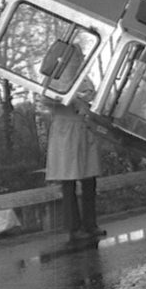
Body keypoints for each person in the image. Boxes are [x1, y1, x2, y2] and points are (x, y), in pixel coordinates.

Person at [44, 47, 105, 243]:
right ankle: (73, 228)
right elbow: (46, 98)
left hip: (83, 130)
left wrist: (87, 101)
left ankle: (90, 224)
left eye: (81, 55)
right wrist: (72, 99)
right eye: (77, 55)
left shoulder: (84, 78)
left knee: (89, 181)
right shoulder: (54, 78)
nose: (81, 58)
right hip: (65, 133)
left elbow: (93, 96)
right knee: (68, 182)